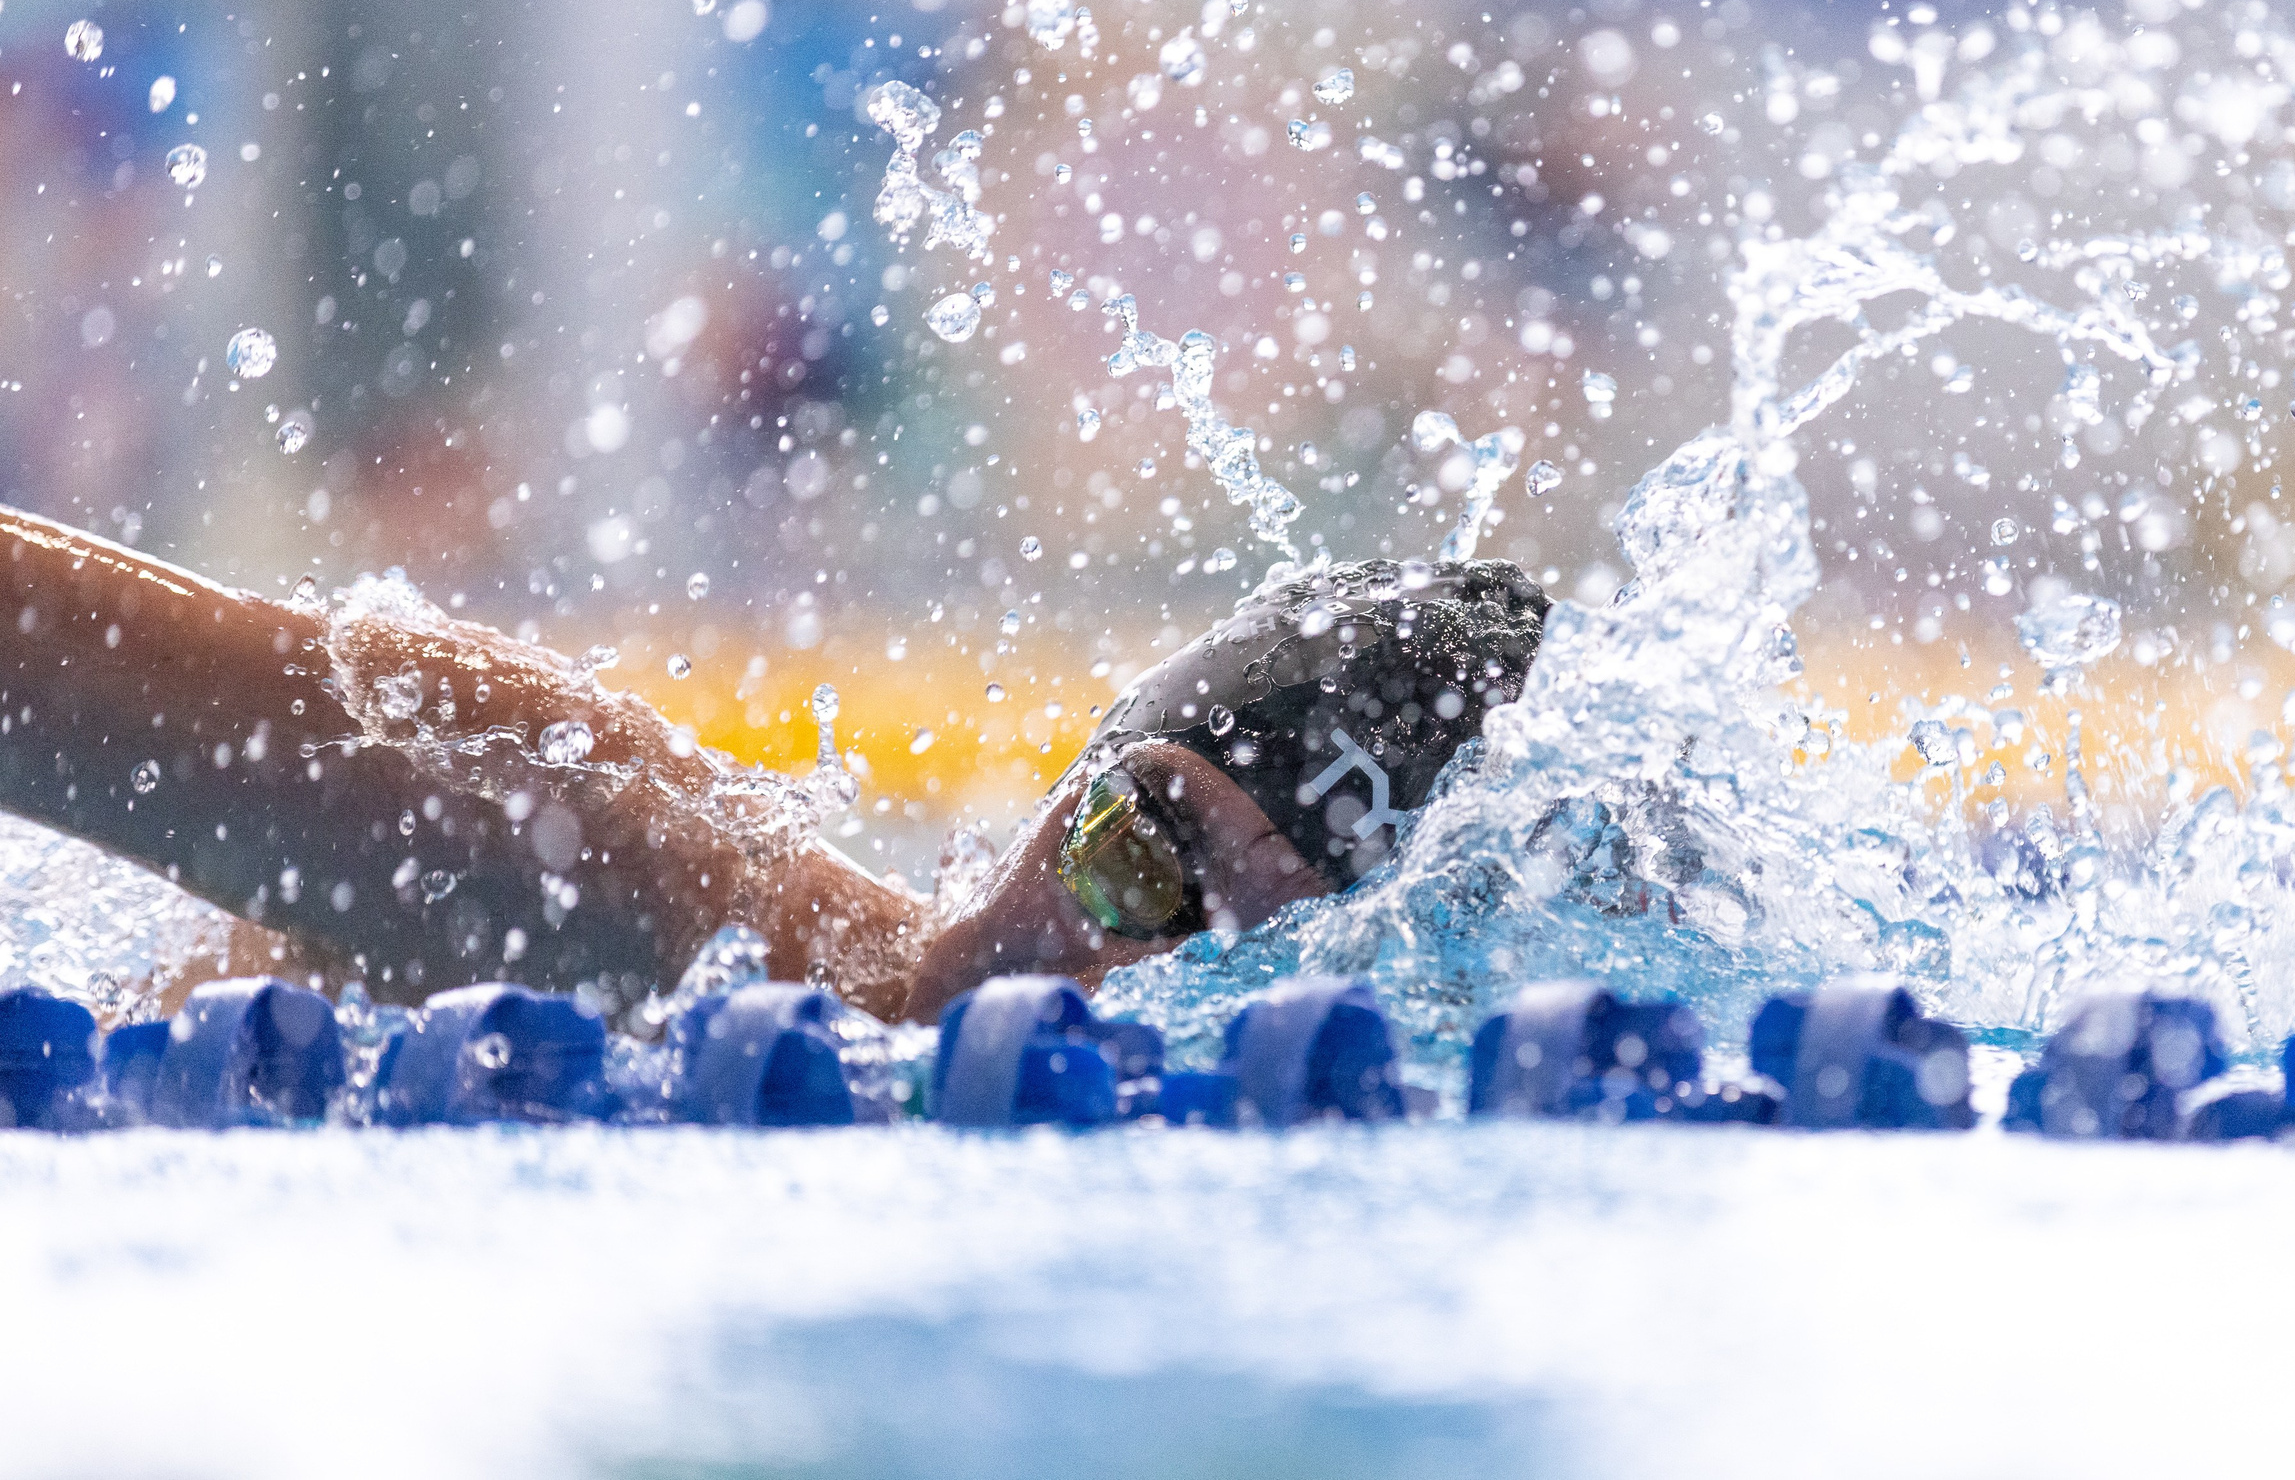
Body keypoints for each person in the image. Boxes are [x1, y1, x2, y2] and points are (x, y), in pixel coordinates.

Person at [0, 502, 1548, 1022]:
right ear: (1077, 781)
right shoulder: (594, 859)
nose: (1109, 972)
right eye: (1140, 852)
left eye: (1234, 970)